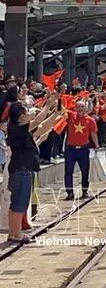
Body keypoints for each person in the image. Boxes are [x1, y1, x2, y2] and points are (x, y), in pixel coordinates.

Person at [6, 100, 57, 244]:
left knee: (17, 202)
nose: (30, 113)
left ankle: (13, 232)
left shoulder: (20, 130)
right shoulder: (17, 128)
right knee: (19, 203)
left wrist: (55, 114)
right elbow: (37, 122)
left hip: (22, 168)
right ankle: (16, 234)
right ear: (21, 116)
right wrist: (47, 106)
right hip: (21, 169)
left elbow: (42, 127)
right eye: (27, 111)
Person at [64, 101, 99, 201]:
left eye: (82, 106)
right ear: (75, 108)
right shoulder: (71, 116)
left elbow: (93, 134)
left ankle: (84, 190)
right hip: (71, 149)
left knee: (85, 171)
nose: (80, 108)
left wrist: (96, 145)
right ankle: (70, 192)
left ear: (86, 108)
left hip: (84, 149)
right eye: (78, 106)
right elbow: (62, 109)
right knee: (68, 171)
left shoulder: (90, 120)